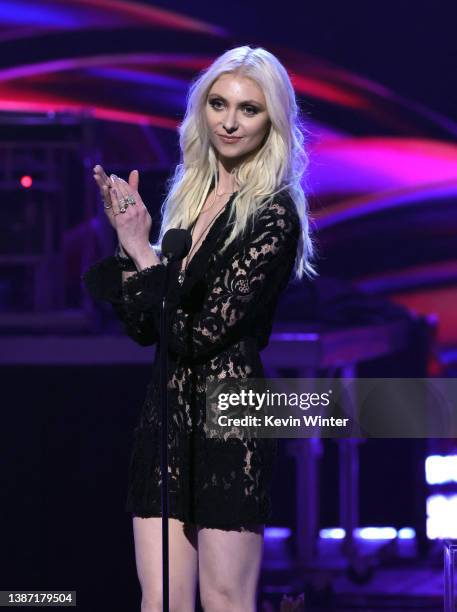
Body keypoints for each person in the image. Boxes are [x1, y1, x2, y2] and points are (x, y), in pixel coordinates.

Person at [82, 45, 317, 612]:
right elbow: (147, 328)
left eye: (249, 109)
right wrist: (131, 241)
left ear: (274, 121)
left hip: (228, 423)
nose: (230, 121)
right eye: (218, 103)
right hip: (166, 421)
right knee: (160, 599)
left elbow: (201, 331)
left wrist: (144, 253)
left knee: (224, 599)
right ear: (201, 109)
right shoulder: (189, 199)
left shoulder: (274, 213)